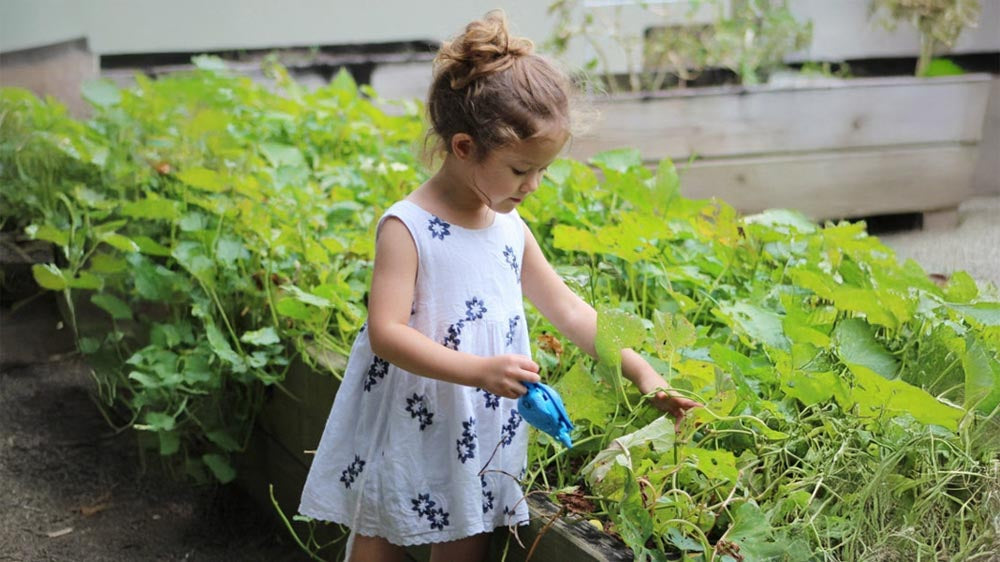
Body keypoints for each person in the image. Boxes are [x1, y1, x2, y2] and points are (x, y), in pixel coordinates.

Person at [298, 10, 700, 562]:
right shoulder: (408, 228)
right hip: (414, 418)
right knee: (382, 534)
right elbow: (386, 333)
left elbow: (572, 313)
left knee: (468, 539)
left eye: (542, 171)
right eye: (519, 170)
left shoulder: (509, 230)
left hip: (480, 429)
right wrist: (480, 371)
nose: (532, 185)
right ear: (464, 147)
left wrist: (642, 373)